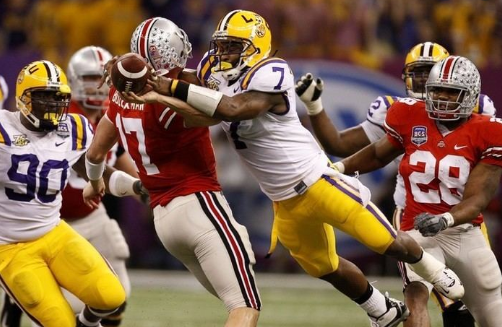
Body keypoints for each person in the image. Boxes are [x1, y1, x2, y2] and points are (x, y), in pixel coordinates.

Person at [116, 10, 467, 327]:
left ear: (256, 46)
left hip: (316, 179)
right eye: (221, 47)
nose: (223, 56)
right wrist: (155, 92)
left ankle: (434, 270)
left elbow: (237, 108)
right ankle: (381, 310)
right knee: (323, 266)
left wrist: (166, 87)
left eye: (233, 47)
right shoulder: (213, 71)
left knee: (385, 241)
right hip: (283, 199)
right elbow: (203, 113)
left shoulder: (273, 71)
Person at [295, 41, 497, 327]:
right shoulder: (398, 110)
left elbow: (486, 174)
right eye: (420, 74)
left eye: (432, 74)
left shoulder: (480, 111)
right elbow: (342, 145)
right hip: (414, 214)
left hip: (463, 218)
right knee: (420, 294)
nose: (426, 82)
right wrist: (315, 108)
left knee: (472, 305)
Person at [84, 17, 262, 327]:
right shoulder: (180, 88)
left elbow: (96, 153)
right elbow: (218, 111)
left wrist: (95, 182)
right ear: (170, 49)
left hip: (164, 220)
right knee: (244, 305)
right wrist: (165, 93)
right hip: (199, 204)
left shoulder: (118, 94)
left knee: (236, 292)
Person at [0, 60, 146, 327]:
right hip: (10, 248)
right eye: (43, 97)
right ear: (23, 99)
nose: (53, 104)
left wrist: (139, 186)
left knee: (112, 296)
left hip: (54, 233)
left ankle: (86, 324)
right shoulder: (3, 130)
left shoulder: (73, 128)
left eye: (58, 97)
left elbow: (99, 171)